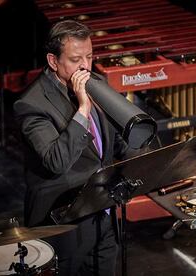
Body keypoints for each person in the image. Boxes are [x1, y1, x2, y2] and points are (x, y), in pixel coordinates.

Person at [13, 20, 137, 276]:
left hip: (103, 212)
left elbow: (120, 144)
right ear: (53, 61)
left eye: (89, 57)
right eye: (75, 59)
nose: (85, 66)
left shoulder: (97, 83)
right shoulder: (31, 105)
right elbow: (56, 161)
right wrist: (82, 110)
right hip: (62, 221)